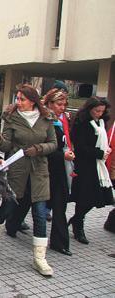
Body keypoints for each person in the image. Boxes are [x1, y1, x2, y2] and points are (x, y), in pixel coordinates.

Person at [0, 84, 57, 277]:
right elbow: (7, 144)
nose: (18, 102)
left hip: (39, 172)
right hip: (17, 170)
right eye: (16, 98)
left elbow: (53, 143)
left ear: (33, 101)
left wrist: (39, 149)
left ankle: (39, 258)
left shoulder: (46, 118)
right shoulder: (12, 117)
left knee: (40, 213)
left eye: (22, 99)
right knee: (9, 205)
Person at [69, 97, 114, 244]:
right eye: (97, 111)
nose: (99, 114)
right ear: (89, 109)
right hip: (85, 166)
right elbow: (81, 147)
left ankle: (76, 220)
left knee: (96, 197)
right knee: (85, 197)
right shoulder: (82, 124)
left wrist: (104, 151)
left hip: (97, 165)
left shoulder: (101, 122)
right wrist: (100, 153)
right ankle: (78, 225)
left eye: (102, 111)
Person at [43, 89, 74, 256]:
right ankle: (12, 223)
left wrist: (67, 152)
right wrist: (63, 154)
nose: (62, 107)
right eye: (58, 104)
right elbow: (44, 148)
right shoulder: (44, 121)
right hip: (45, 170)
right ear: (49, 104)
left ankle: (59, 241)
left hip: (59, 169)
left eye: (64, 104)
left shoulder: (61, 121)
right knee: (25, 201)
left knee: (59, 205)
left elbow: (63, 142)